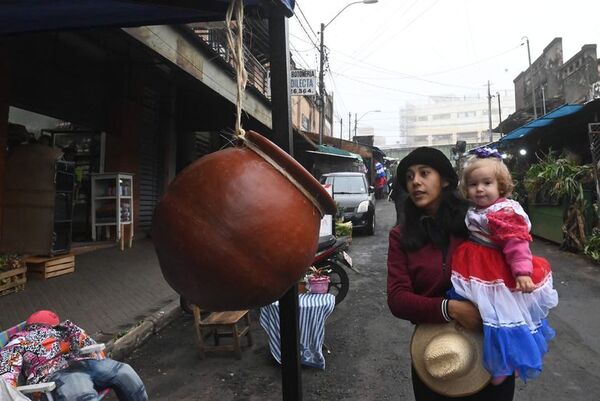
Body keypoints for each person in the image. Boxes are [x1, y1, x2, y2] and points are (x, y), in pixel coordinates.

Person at [387, 146, 516, 400]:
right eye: (410, 177)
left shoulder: (477, 221)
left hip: (490, 350)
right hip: (436, 355)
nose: (416, 182)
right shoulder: (400, 236)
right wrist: (450, 308)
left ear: (445, 180)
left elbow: (512, 262)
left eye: (425, 173)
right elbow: (397, 299)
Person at [450, 147, 559, 384]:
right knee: (490, 316)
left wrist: (522, 272)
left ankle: (505, 364)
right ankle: (506, 359)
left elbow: (516, 243)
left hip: (498, 272)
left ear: (501, 185)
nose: (479, 189)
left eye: (487, 183)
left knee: (503, 318)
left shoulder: (504, 212)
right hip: (479, 268)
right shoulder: (479, 210)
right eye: (473, 184)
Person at [0, 310, 148, 401]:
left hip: (83, 362)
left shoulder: (63, 330)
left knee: (123, 371)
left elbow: (87, 343)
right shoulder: (19, 341)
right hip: (53, 374)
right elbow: (6, 374)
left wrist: (73, 331)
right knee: (80, 387)